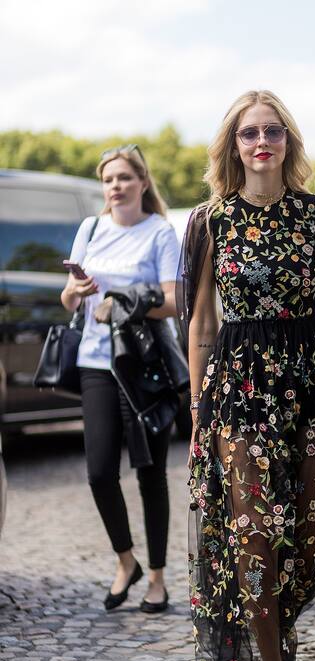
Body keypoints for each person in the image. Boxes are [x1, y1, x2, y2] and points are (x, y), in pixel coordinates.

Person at [178, 90, 315, 661]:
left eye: (273, 131)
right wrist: (197, 411)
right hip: (238, 391)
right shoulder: (211, 220)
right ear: (233, 145)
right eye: (249, 132)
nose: (262, 142)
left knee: (304, 539)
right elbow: (202, 324)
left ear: (289, 141)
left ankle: (277, 635)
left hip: (308, 391)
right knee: (254, 533)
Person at [61, 144, 180, 613]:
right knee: (98, 473)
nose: (116, 186)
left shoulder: (160, 232)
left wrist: (124, 301)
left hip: (144, 366)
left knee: (150, 473)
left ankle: (158, 578)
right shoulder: (90, 229)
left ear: (143, 182)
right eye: (109, 179)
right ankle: (125, 560)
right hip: (95, 362)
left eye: (125, 177)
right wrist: (75, 290)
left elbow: (174, 301)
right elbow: (69, 300)